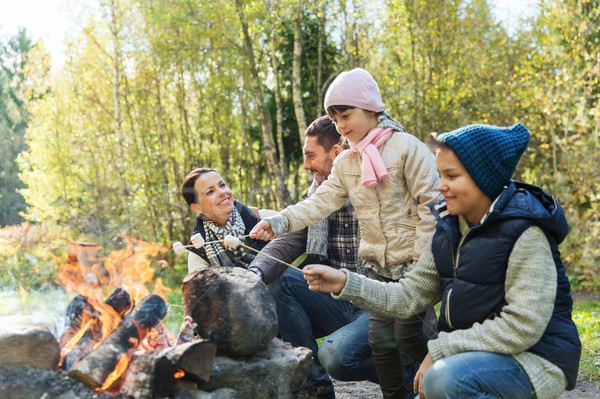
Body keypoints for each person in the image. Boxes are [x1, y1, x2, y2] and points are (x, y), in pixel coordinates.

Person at [303, 123, 582, 399]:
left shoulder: (526, 232)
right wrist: (345, 282)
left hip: (535, 360)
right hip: (475, 356)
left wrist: (440, 350)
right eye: (440, 175)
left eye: (451, 175)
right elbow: (408, 295)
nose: (440, 186)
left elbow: (521, 327)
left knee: (443, 379)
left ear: (483, 176)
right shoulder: (449, 230)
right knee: (443, 378)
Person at [251, 68, 441, 399]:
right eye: (335, 119)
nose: (340, 126)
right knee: (383, 350)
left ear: (371, 109)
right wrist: (278, 221)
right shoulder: (347, 163)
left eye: (346, 115)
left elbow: (432, 205)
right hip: (376, 274)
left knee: (412, 339)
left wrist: (421, 260)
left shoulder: (407, 148)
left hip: (413, 273)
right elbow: (318, 203)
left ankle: (444, 358)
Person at [180, 167, 270, 273]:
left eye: (222, 185)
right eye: (210, 192)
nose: (222, 192)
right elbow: (198, 287)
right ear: (197, 208)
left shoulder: (260, 218)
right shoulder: (200, 249)